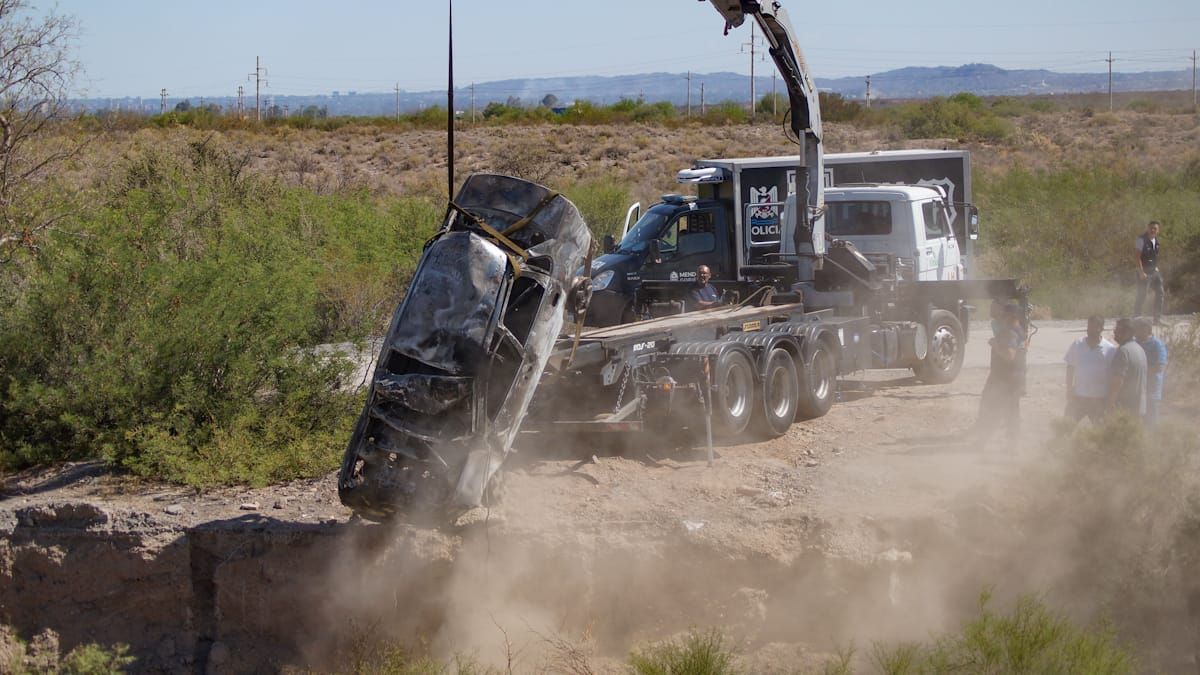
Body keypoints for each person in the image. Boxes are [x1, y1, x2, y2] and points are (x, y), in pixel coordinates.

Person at [972, 303, 1025, 445]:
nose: (1001, 317)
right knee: (1011, 411)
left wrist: (995, 345)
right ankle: (1013, 445)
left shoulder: (1010, 333)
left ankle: (983, 440)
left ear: (1010, 316)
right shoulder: (1019, 330)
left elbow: (1009, 355)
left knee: (993, 407)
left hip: (1003, 378)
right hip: (1015, 377)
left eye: (1004, 315)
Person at [1064, 316, 1117, 424]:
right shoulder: (1077, 344)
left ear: (1101, 328)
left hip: (1099, 399)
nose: (1089, 329)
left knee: (1100, 432)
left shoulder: (1110, 349)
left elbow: (1113, 375)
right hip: (1079, 397)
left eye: (1093, 327)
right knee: (1066, 426)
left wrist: (1110, 398)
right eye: (1088, 326)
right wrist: (1069, 389)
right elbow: (1070, 368)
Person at [1107, 317, 1148, 419]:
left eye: (1118, 330)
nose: (1115, 332)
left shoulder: (1123, 351)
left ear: (1128, 332)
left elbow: (1118, 380)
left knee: (1119, 434)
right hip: (1139, 406)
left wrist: (1110, 402)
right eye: (1115, 330)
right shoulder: (1139, 349)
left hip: (1124, 407)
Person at [1133, 316, 1168, 426]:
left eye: (1137, 328)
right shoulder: (1134, 343)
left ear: (1147, 329)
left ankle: (1153, 442)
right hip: (1135, 392)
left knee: (1150, 425)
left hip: (1151, 392)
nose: (1134, 331)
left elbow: (1160, 367)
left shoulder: (1157, 345)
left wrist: (1139, 374)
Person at [1134, 220, 1165, 324]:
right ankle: (1136, 318)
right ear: (1147, 228)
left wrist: (1156, 267)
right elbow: (1137, 257)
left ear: (1158, 230)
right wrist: (1141, 272)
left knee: (1160, 293)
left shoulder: (1157, 241)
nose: (1152, 230)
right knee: (1142, 294)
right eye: (1151, 228)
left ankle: (1157, 319)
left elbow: (1154, 256)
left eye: (1155, 228)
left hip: (1154, 271)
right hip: (1144, 272)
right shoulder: (1140, 239)